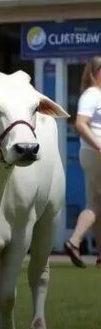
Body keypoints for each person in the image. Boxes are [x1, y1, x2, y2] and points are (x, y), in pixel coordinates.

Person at [65, 57, 101, 268]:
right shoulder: (91, 95)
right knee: (95, 204)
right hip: (95, 152)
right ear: (95, 72)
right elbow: (80, 124)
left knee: (96, 204)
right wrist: (98, 144)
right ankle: (74, 240)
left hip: (92, 152)